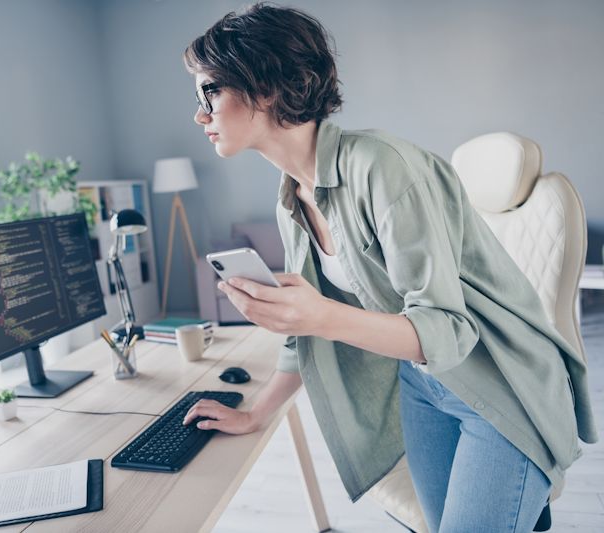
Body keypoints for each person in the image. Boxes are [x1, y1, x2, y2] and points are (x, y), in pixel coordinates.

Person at [180, 3, 597, 532]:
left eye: (210, 91)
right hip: (423, 385)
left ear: (265, 86)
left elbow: (446, 329)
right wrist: (256, 414)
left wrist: (317, 315)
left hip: (498, 380)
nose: (200, 114)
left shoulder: (381, 166)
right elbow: (303, 337)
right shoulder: (292, 195)